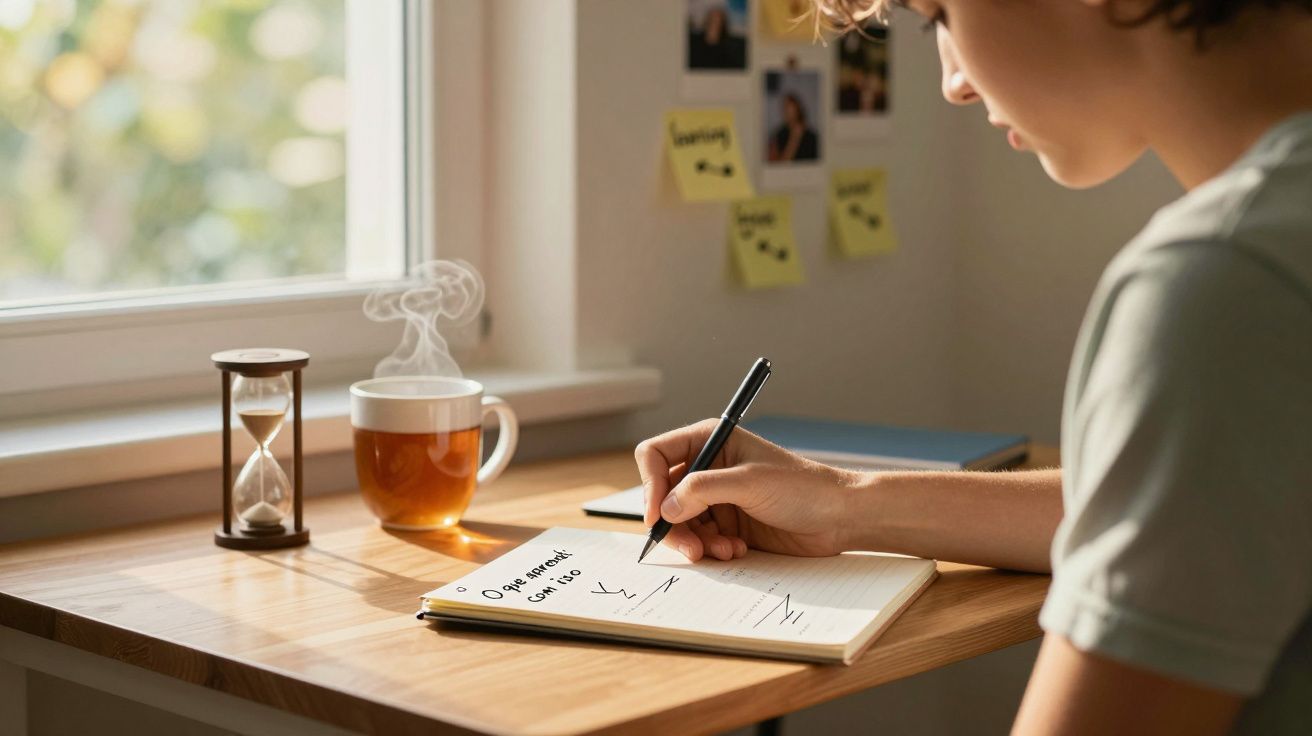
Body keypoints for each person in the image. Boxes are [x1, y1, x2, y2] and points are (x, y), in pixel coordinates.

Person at [636, 1, 1312, 733]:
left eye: (940, 17)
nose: (954, 83)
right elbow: (1200, 513)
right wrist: (840, 501)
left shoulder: (1228, 280)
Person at [687, 4, 748, 70]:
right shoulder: (695, 43)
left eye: (718, 21)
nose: (715, 24)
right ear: (706, 21)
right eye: (712, 20)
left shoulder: (729, 48)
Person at [767, 92, 820, 162]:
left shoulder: (811, 136)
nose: (786, 111)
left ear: (797, 109)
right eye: (784, 107)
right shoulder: (779, 134)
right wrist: (794, 140)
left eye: (788, 107)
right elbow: (776, 164)